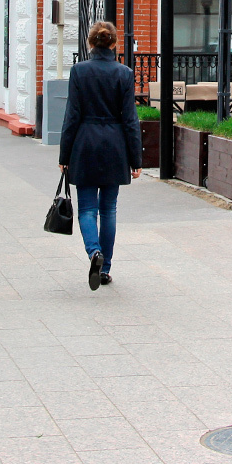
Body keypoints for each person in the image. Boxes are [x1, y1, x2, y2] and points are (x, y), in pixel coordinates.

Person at [59, 21, 141, 291]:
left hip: (84, 143)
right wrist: (136, 159)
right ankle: (105, 269)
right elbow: (130, 119)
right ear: (114, 43)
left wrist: (64, 154)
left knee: (87, 208)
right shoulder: (124, 73)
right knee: (109, 209)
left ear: (90, 43)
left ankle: (94, 252)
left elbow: (71, 116)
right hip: (115, 145)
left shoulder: (79, 72)